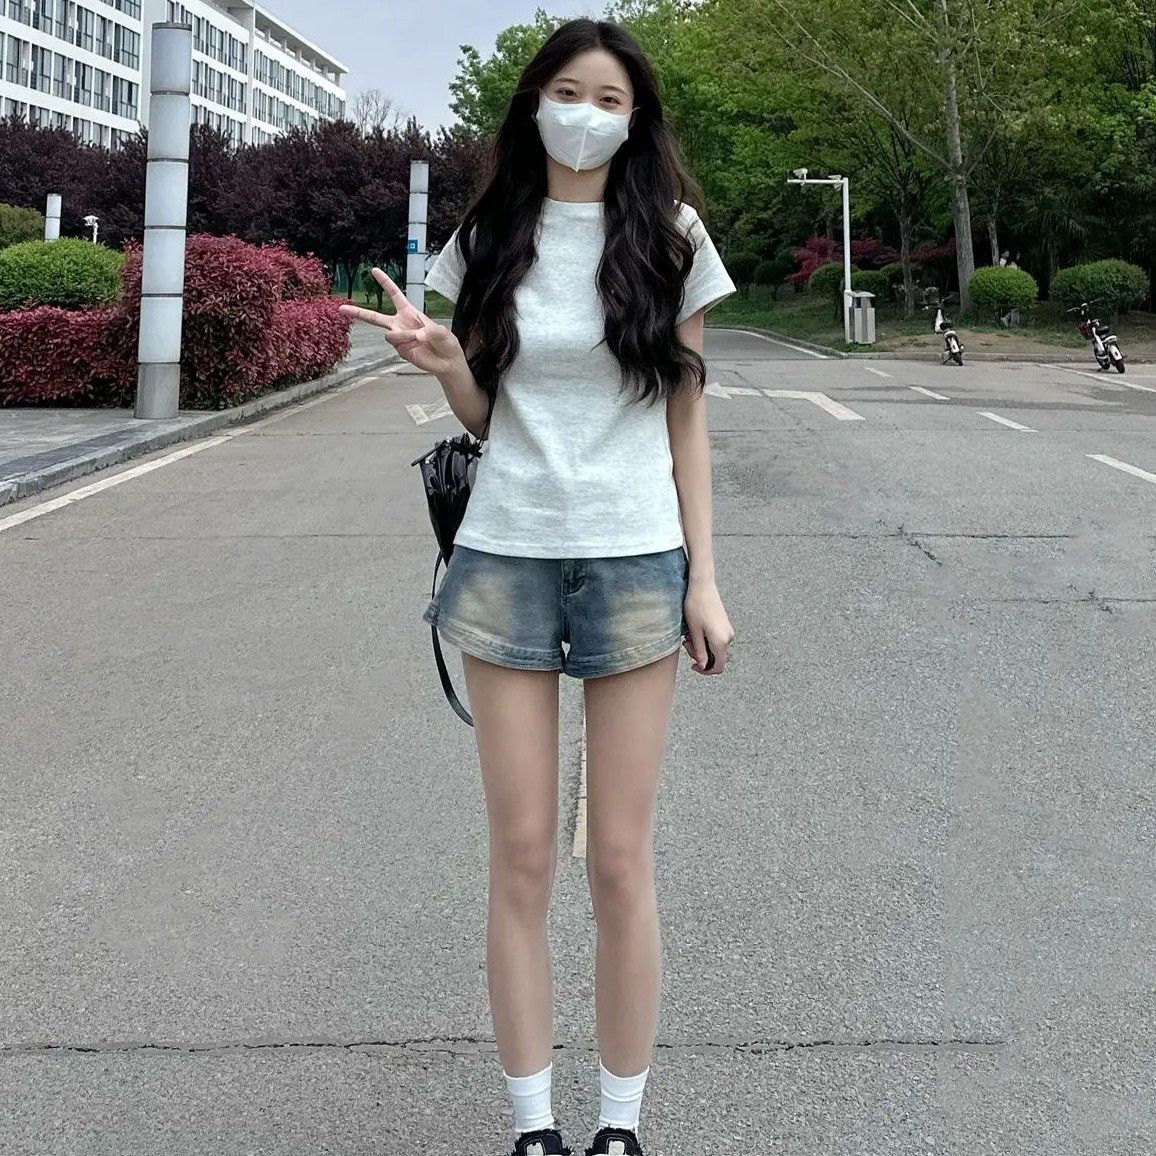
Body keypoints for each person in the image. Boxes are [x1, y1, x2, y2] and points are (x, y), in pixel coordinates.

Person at [340, 18, 736, 1156]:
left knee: (617, 860)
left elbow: (687, 415)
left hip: (635, 560)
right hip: (508, 555)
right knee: (519, 857)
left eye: (611, 100)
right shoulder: (490, 233)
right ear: (532, 105)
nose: (587, 115)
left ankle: (619, 1126)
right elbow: (485, 415)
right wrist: (449, 365)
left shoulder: (671, 236)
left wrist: (705, 579)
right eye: (568, 92)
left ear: (636, 120)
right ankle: (532, 1127)